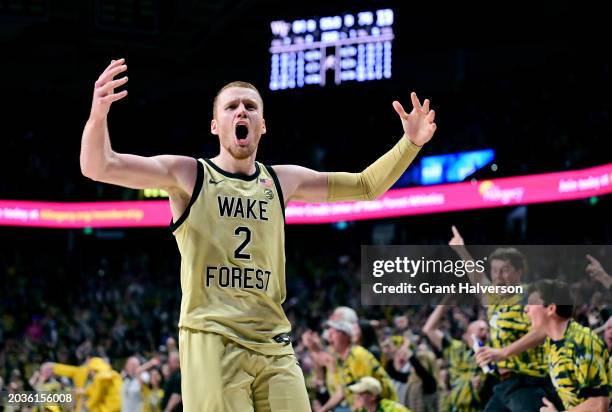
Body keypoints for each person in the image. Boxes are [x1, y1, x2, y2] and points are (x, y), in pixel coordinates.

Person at [80, 58, 437, 411]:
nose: (241, 112)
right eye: (231, 106)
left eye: (250, 107)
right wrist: (98, 114)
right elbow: (98, 165)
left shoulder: (282, 180)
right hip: (212, 338)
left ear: (262, 125)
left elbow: (365, 185)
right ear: (215, 125)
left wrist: (411, 144)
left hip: (273, 342)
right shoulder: (189, 175)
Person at [448, 227, 563, 412]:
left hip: (529, 383)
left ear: (519, 272)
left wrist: (503, 352)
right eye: (494, 271)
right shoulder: (496, 297)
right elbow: (478, 279)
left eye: (505, 270)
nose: (498, 277)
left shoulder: (530, 296)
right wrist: (461, 250)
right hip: (505, 384)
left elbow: (542, 332)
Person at [523, 280, 610, 412]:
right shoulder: (552, 342)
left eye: (531, 304)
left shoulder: (582, 342)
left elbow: (599, 405)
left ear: (551, 309)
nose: (526, 309)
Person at [422, 302, 490, 411]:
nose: (485, 333)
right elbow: (428, 329)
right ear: (467, 335)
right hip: (455, 406)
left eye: (487, 330)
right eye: (481, 329)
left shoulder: (491, 352)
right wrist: (447, 301)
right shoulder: (455, 348)